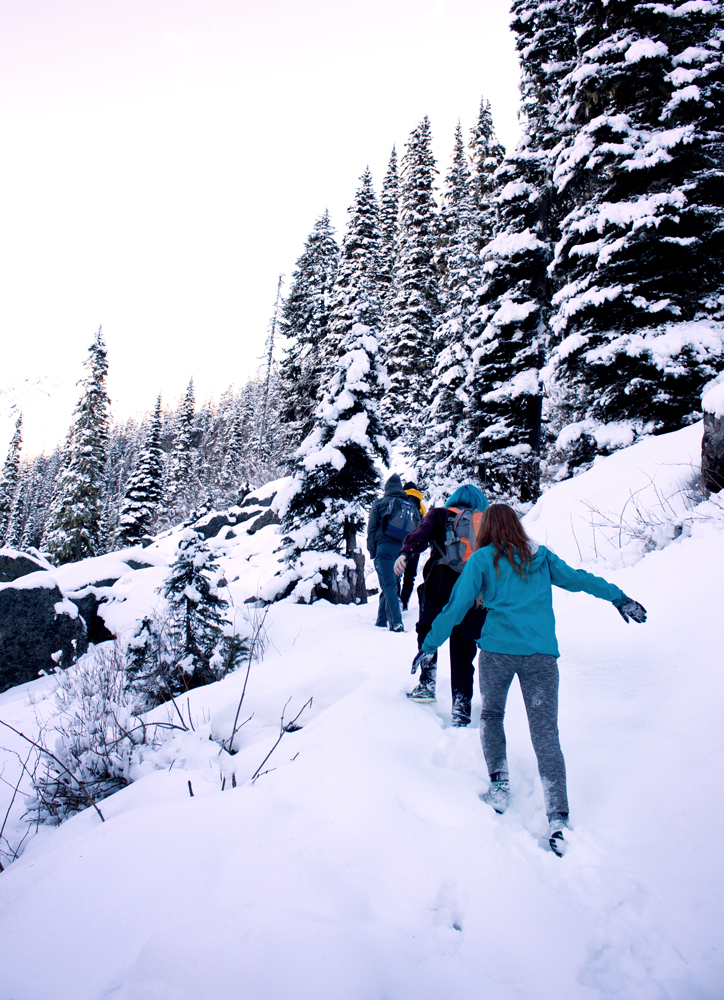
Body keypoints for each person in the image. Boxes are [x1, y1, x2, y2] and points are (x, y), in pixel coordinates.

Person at [412, 503, 647, 856]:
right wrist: (618, 597)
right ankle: (557, 817)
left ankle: (500, 786)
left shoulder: (481, 560)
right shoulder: (542, 558)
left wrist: (429, 645)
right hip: (541, 656)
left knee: (492, 716)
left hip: (497, 653)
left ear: (487, 528)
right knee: (546, 732)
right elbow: (581, 580)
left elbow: (456, 608)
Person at [394, 484, 489, 726]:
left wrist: (406, 552)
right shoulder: (486, 521)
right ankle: (461, 707)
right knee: (464, 649)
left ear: (454, 499)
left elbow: (421, 534)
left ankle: (427, 684)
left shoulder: (439, 514)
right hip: (474, 594)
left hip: (439, 586)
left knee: (428, 632)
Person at [366, 473, 410, 632]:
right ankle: (381, 621)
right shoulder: (407, 503)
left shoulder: (380, 503)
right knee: (390, 583)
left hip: (384, 547)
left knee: (389, 584)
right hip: (402, 550)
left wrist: (373, 552)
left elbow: (371, 530)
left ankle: (396, 623)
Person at [399, 482, 426, 611]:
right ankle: (404, 603)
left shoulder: (399, 501)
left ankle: (395, 602)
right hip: (414, 545)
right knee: (409, 576)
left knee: (396, 573)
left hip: (398, 542)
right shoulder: (420, 506)